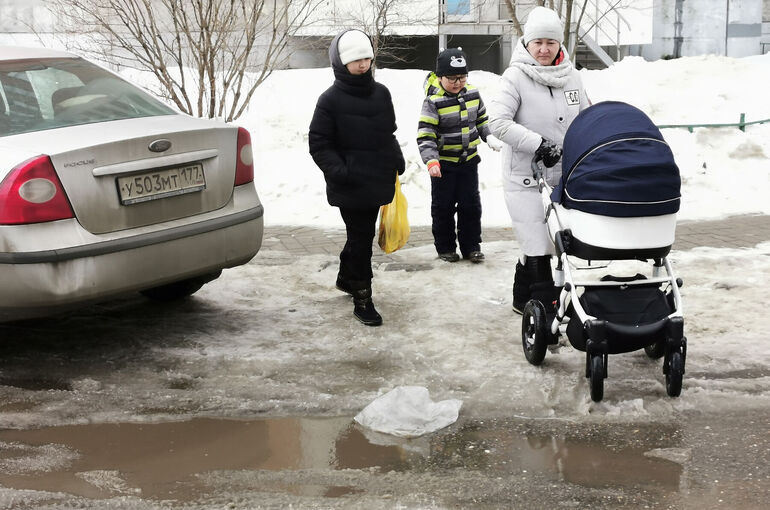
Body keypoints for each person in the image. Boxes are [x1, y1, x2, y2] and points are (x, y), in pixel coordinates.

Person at [488, 7, 589, 313]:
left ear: (560, 44)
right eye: (538, 43)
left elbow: (586, 116)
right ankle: (546, 308)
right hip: (525, 179)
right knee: (538, 245)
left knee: (557, 242)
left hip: (564, 178)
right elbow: (498, 122)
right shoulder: (515, 77)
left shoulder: (572, 76)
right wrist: (538, 144)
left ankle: (522, 298)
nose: (544, 49)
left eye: (551, 42)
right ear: (527, 44)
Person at [308, 29, 405, 326]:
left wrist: (396, 159)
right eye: (355, 60)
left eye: (366, 58)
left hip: (377, 179)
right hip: (350, 184)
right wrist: (341, 171)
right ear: (340, 62)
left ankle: (345, 276)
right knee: (361, 238)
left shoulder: (381, 93)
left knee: (359, 236)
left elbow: (388, 133)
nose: (363, 64)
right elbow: (319, 143)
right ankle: (363, 297)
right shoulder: (330, 100)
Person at [416, 47, 502, 264]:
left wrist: (488, 136)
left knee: (470, 206)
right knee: (443, 207)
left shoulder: (473, 94)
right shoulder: (433, 101)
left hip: (468, 162)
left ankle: (472, 246)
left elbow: (481, 120)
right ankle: (445, 248)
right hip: (443, 165)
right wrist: (431, 160)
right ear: (440, 76)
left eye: (462, 77)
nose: (458, 82)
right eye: (452, 78)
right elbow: (426, 134)